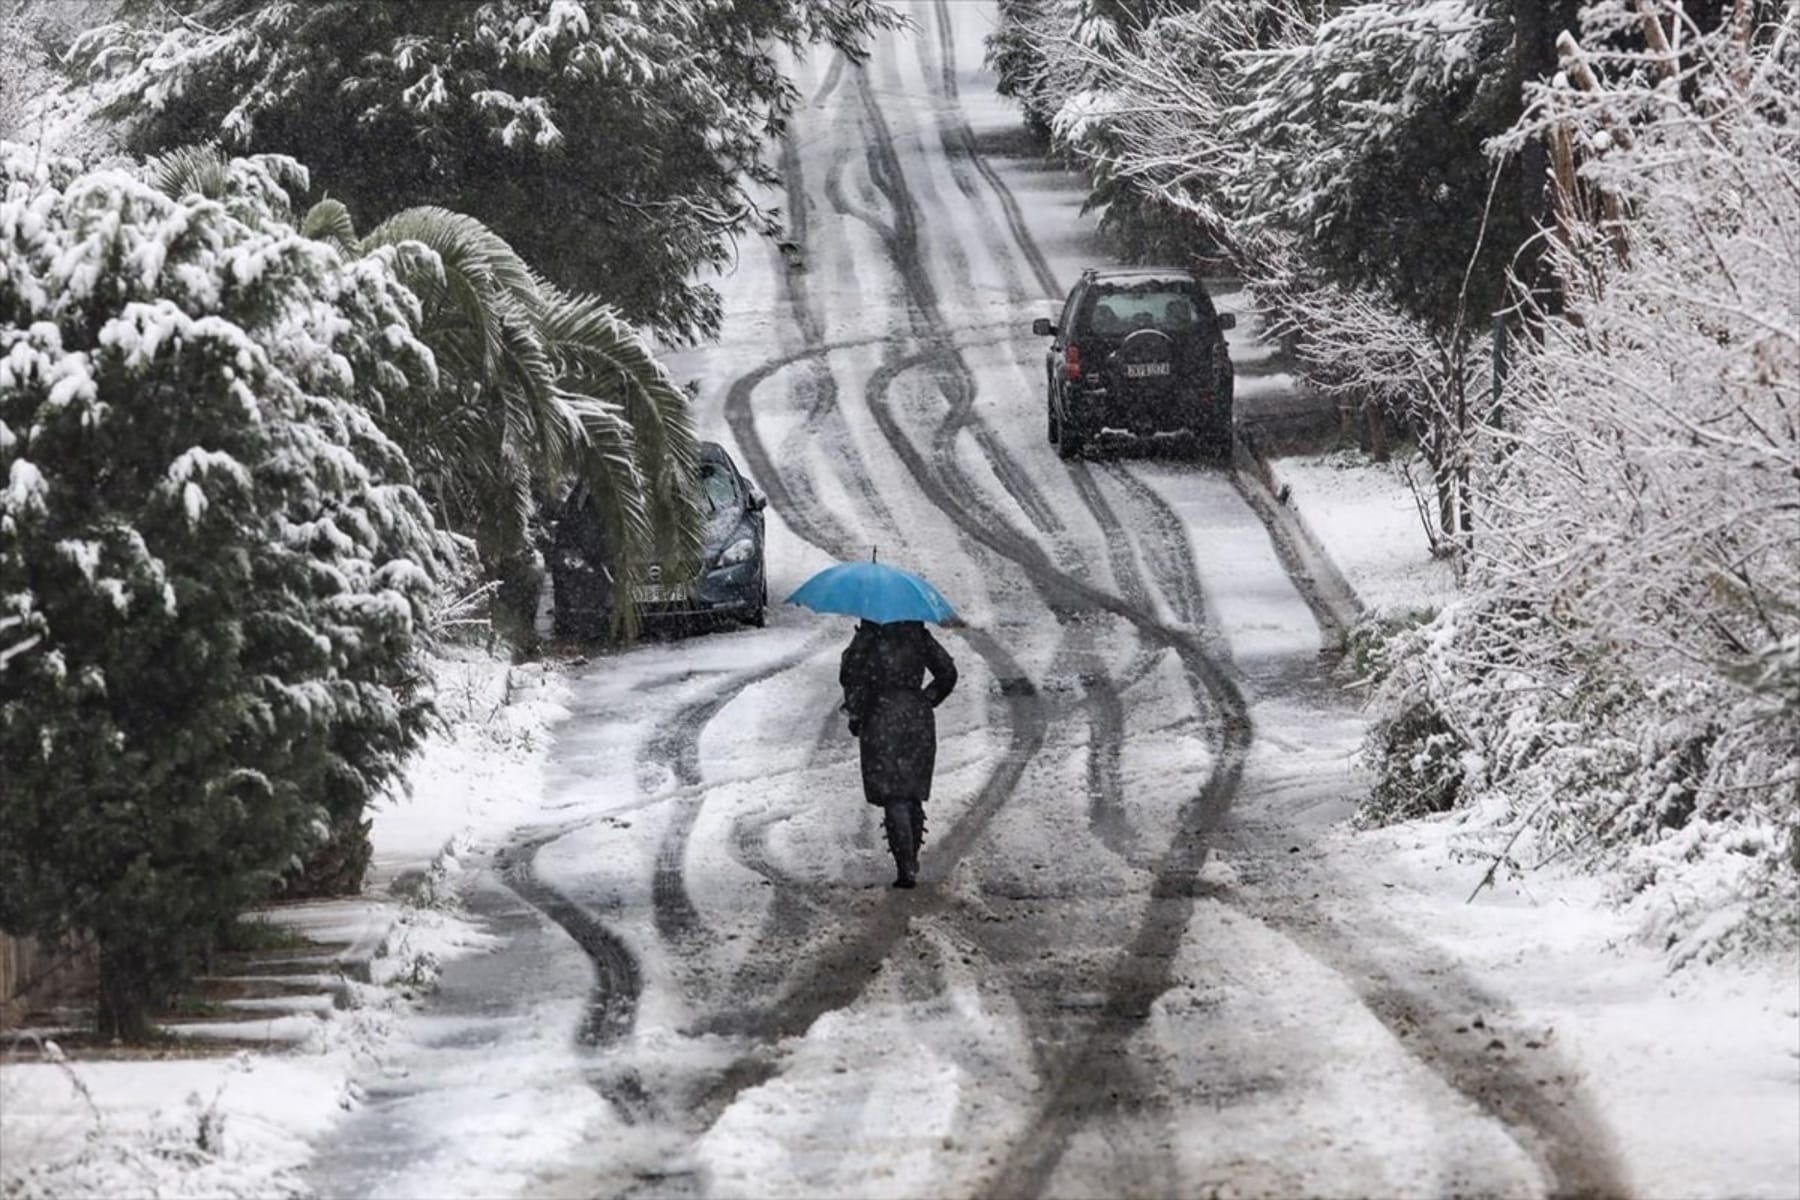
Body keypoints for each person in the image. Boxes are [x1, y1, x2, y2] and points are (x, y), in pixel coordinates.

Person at [839, 619, 958, 888]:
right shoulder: (918, 634)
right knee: (910, 791)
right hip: (917, 717)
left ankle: (905, 866)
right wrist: (928, 698)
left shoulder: (868, 637)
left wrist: (856, 713)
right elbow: (948, 673)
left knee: (893, 794)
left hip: (880, 715)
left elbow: (849, 675)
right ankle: (911, 857)